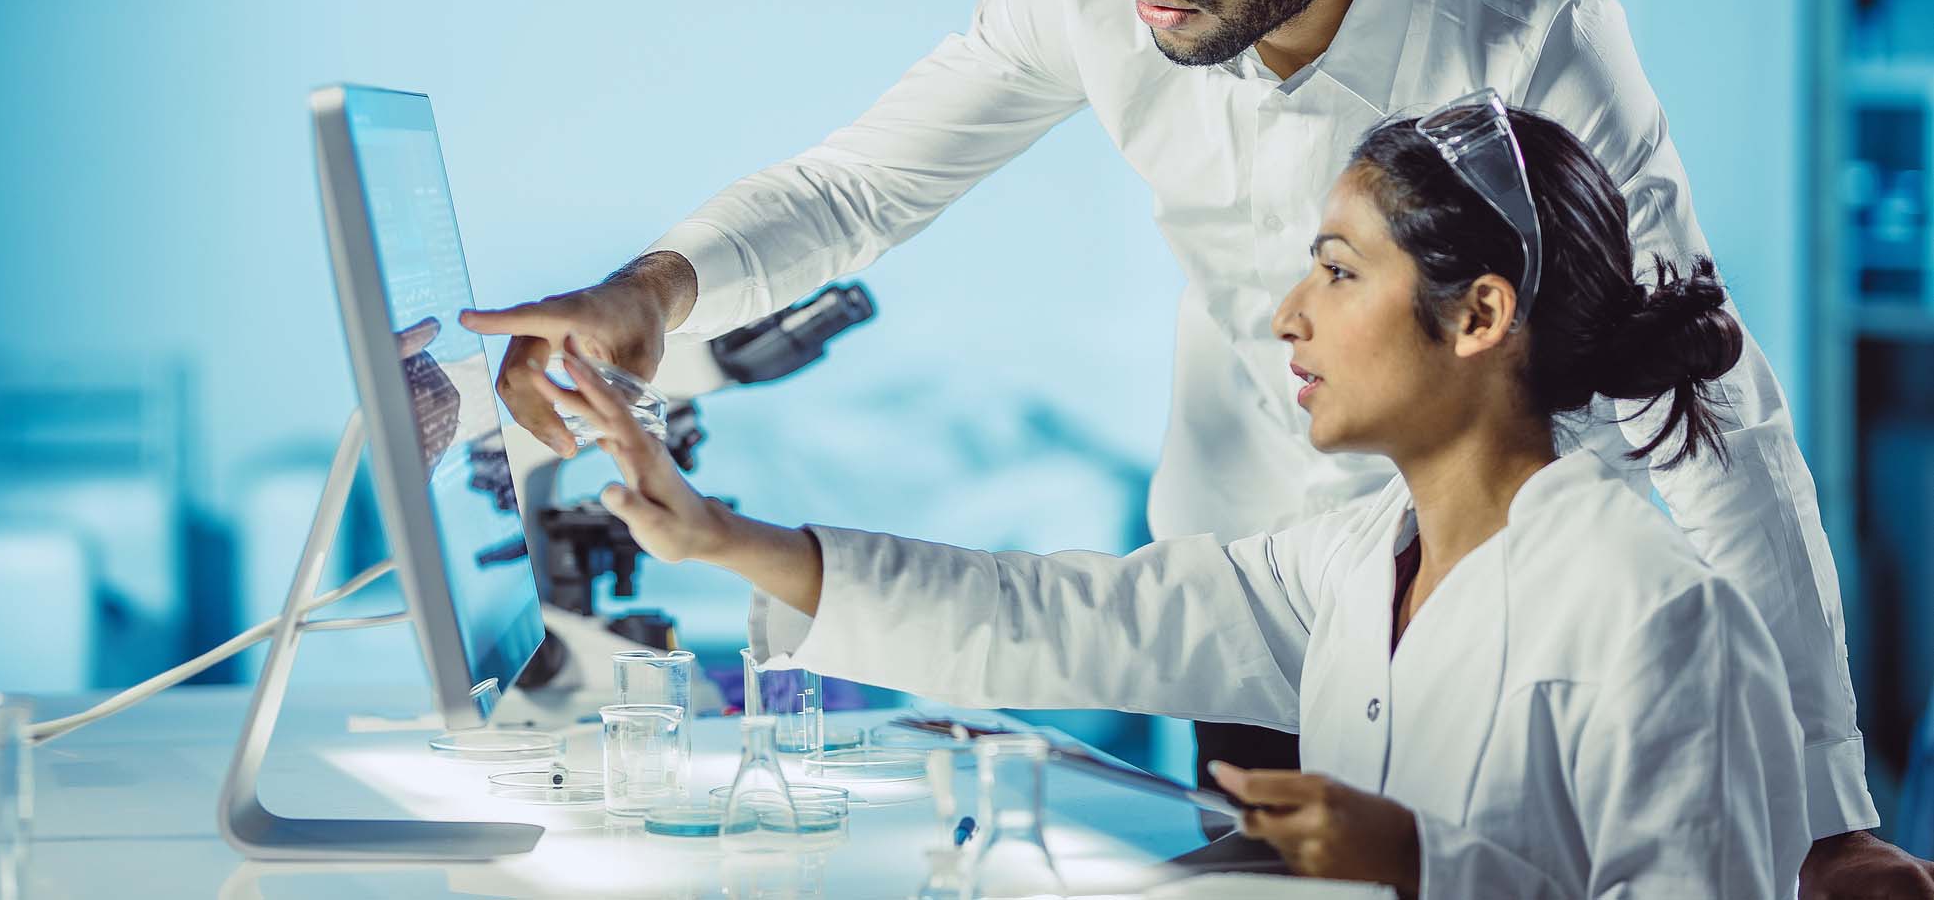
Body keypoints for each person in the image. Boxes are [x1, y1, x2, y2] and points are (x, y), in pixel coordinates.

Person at [463, 0, 1933, 892]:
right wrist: (655, 296)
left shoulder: (1522, 25)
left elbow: (1711, 406)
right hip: (1275, 579)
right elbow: (863, 183)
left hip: (1508, 582)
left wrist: (1824, 811)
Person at [534, 101, 1809, 895]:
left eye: (1336, 270)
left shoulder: (1656, 617)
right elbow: (1062, 616)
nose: (1287, 315)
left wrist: (1429, 869)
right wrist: (717, 537)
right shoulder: (1356, 565)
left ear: (1478, 314)